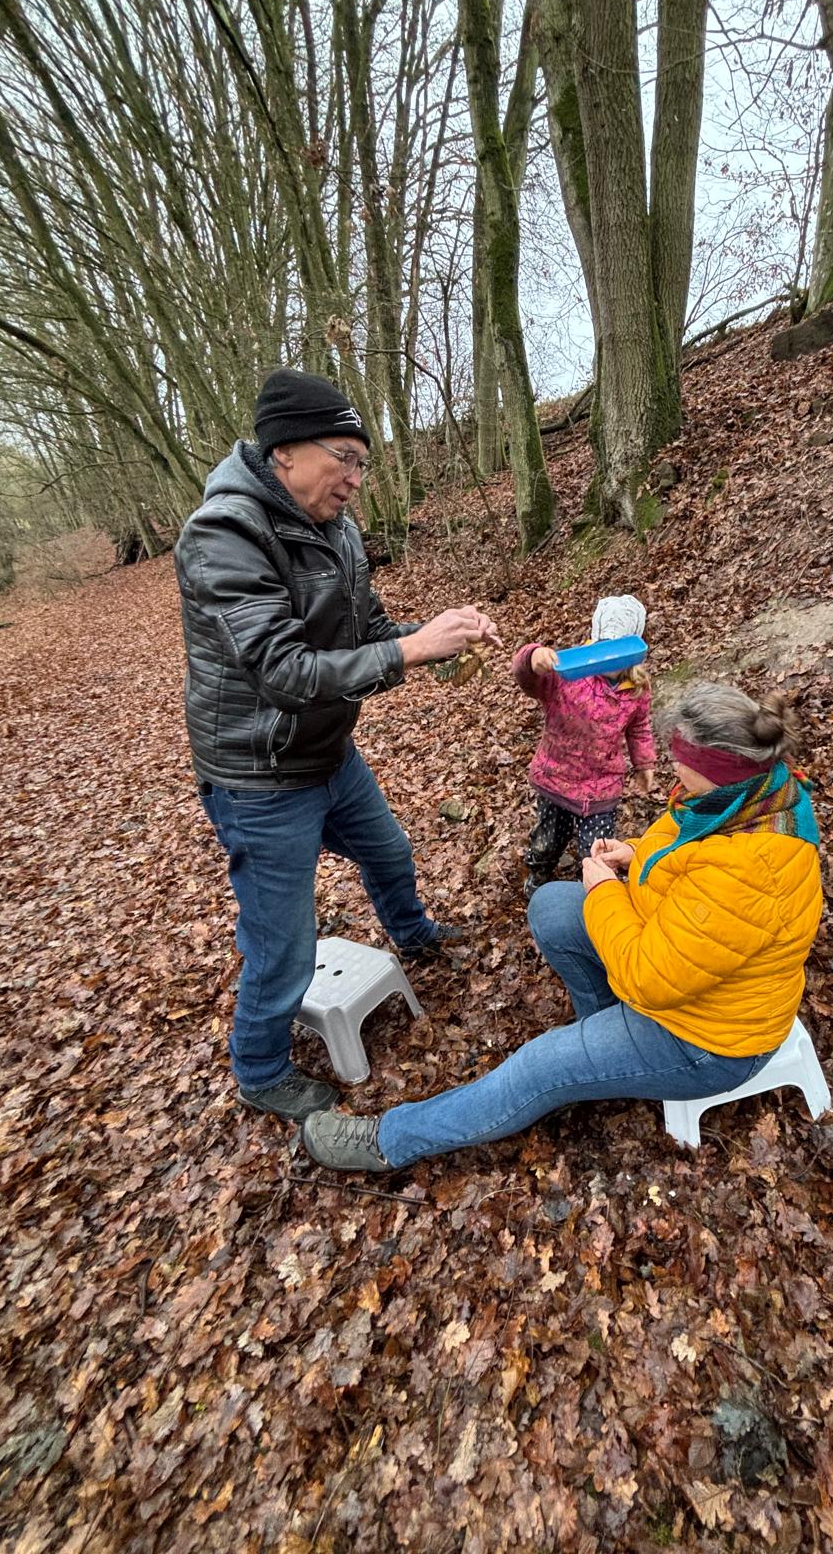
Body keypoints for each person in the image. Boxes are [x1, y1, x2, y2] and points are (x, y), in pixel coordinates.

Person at [301, 681, 823, 1173]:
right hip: (685, 977)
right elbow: (688, 860)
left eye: (682, 763)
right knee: (552, 906)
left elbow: (649, 976)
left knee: (539, 1067)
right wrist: (636, 853)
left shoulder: (753, 869)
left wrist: (604, 891)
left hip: (706, 1041)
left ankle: (390, 1140)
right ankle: (601, 1046)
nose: (673, 769)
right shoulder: (745, 798)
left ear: (715, 767)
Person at [173, 368, 501, 1123]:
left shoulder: (340, 529)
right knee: (283, 943)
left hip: (329, 754)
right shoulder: (223, 535)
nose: (355, 479)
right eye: (343, 458)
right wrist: (411, 650)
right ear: (285, 452)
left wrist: (438, 638)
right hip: (260, 775)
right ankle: (260, 1071)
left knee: (389, 853)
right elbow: (283, 671)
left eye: (363, 464)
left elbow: (370, 633)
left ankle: (414, 935)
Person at [513, 594, 656, 897]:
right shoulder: (568, 675)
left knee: (597, 852)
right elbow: (528, 680)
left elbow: (639, 728)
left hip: (602, 787)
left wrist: (644, 764)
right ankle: (538, 875)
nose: (610, 659)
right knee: (548, 841)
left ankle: (593, 895)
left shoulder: (637, 688)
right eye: (603, 647)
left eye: (619, 651)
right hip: (557, 779)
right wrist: (532, 658)